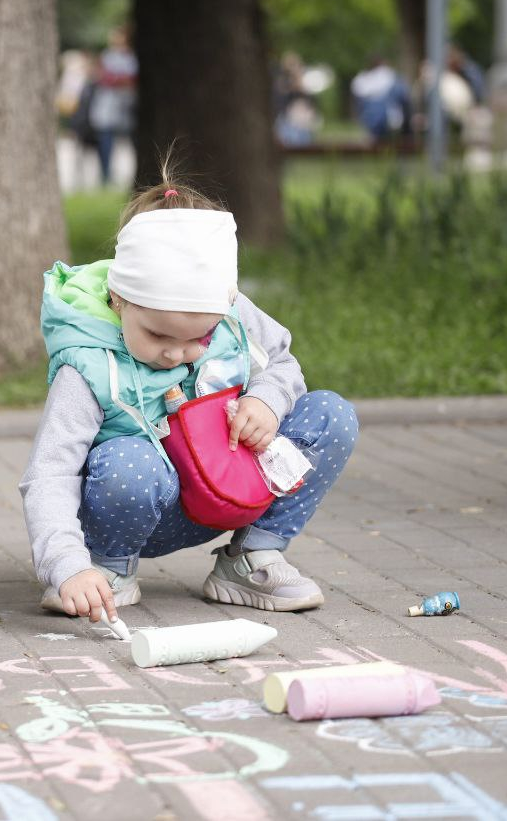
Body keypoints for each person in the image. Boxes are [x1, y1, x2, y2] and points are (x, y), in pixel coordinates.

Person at [19, 163, 359, 624]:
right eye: (159, 335)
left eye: (200, 338)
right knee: (126, 462)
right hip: (142, 509)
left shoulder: (230, 312)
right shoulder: (87, 365)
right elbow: (49, 473)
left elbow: (281, 361)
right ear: (119, 299)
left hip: (228, 488)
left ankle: (252, 556)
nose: (177, 353)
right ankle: (108, 571)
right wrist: (67, 567)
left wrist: (266, 400)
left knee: (330, 415)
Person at [87, 27, 137, 185]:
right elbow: (103, 77)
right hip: (107, 109)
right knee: (105, 141)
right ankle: (106, 174)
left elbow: (130, 79)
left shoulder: (130, 58)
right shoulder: (107, 56)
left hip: (126, 107)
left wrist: (115, 79)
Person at [351, 56, 412, 143]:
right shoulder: (389, 75)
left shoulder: (362, 79)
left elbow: (357, 92)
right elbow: (403, 95)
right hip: (386, 114)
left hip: (371, 114)